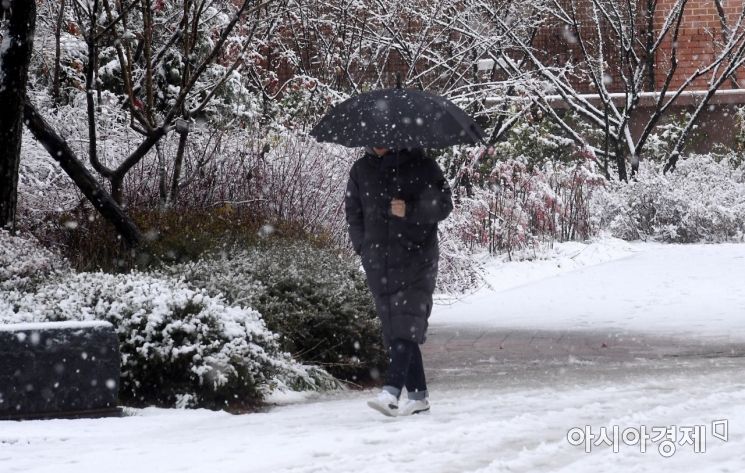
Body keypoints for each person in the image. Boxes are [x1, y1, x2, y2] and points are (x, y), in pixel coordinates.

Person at [344, 145, 453, 417]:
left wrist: (410, 209)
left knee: (406, 322)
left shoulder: (423, 165)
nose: (377, 143)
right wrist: (364, 247)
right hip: (379, 262)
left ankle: (391, 392)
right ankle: (418, 397)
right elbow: (353, 213)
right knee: (395, 327)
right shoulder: (361, 171)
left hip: (417, 258)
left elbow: (443, 205)